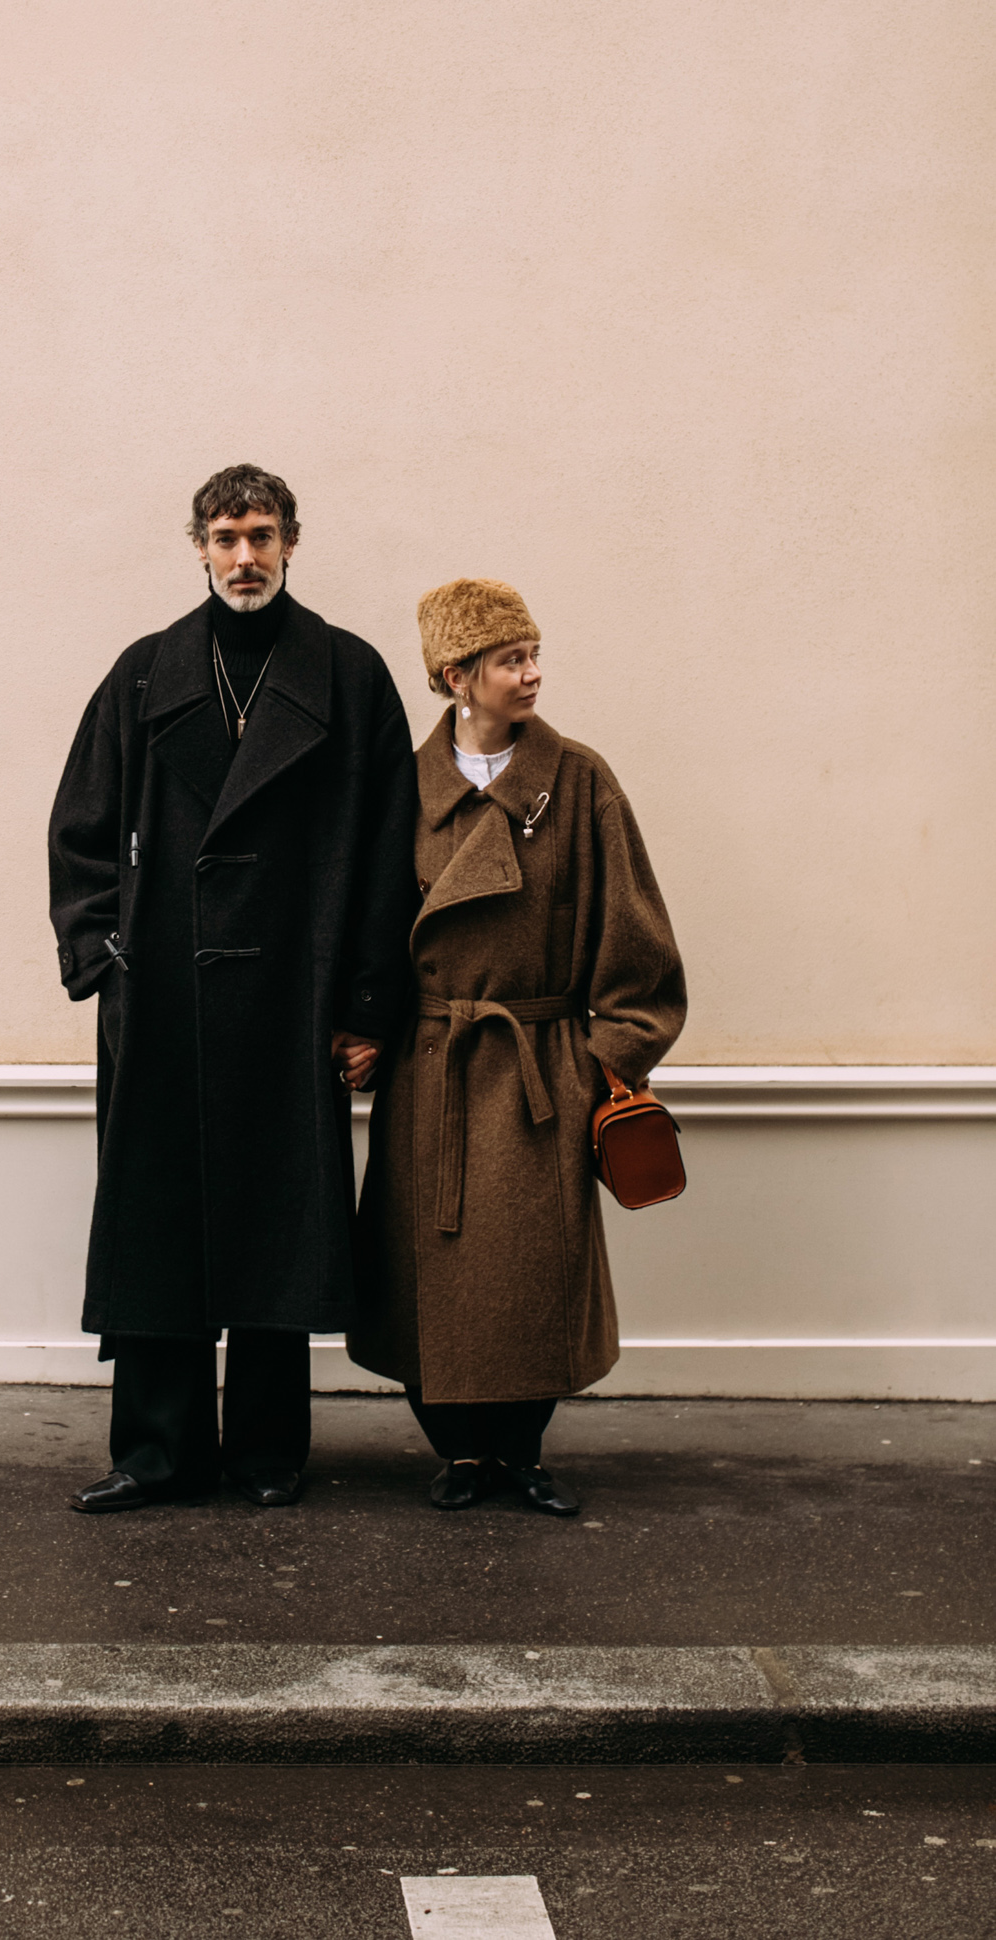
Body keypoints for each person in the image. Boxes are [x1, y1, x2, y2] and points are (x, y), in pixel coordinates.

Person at [48, 464, 417, 1512]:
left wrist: (365, 1008)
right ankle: (154, 1453)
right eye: (224, 537)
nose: (243, 556)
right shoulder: (141, 674)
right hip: (160, 999)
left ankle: (265, 1452)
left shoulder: (348, 676)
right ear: (198, 546)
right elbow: (76, 831)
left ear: (291, 541)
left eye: (260, 535)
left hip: (289, 1006)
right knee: (158, 1221)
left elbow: (392, 856)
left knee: (275, 1222)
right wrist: (102, 962)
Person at [349, 578, 686, 1517]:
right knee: (428, 1270)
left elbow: (639, 944)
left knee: (533, 1269)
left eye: (534, 654)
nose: (532, 673)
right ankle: (458, 1453)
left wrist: (595, 1062)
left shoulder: (579, 782)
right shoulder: (402, 790)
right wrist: (363, 1029)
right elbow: (365, 926)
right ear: (455, 676)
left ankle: (520, 1450)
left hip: (538, 1068)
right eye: (510, 659)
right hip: (431, 1068)